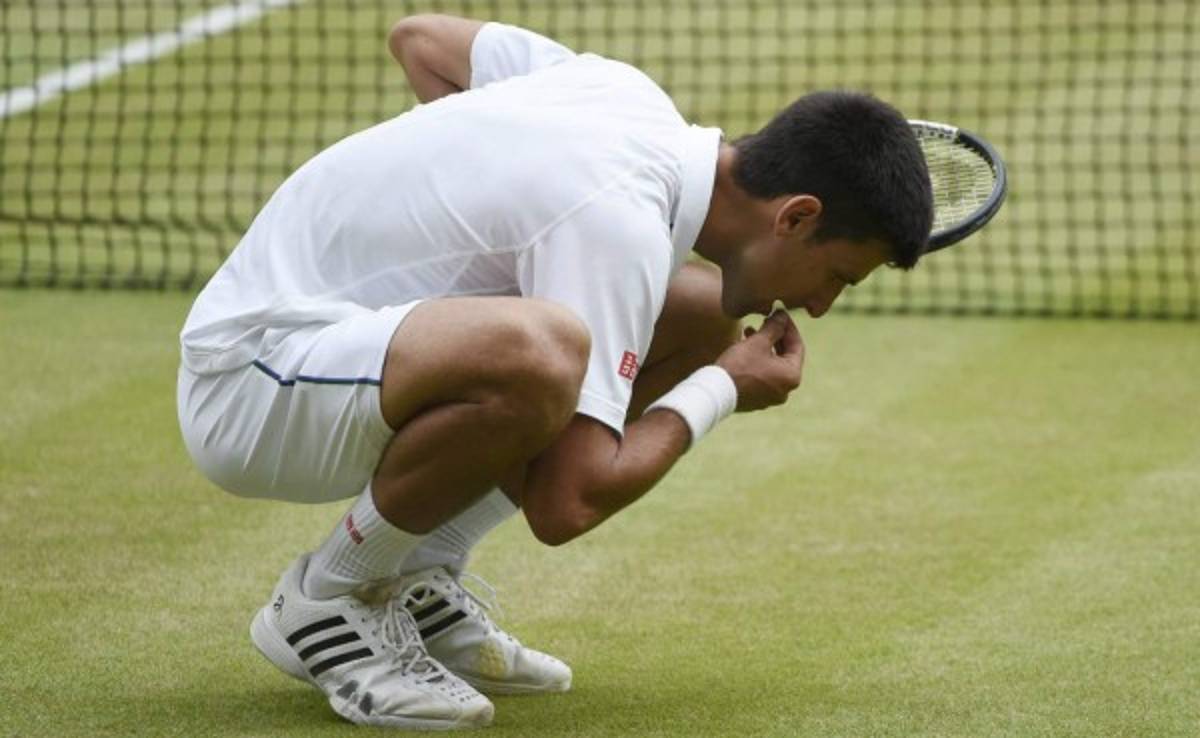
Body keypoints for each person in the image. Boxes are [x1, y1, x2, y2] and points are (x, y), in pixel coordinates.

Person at [176, 14, 932, 730]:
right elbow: (566, 503)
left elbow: (425, 40)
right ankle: (331, 596)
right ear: (795, 216)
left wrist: (467, 220)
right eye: (836, 274)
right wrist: (723, 388)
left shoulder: (624, 94)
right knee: (539, 351)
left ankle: (417, 572)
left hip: (345, 351)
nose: (822, 305)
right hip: (252, 381)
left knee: (698, 312)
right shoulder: (619, 223)